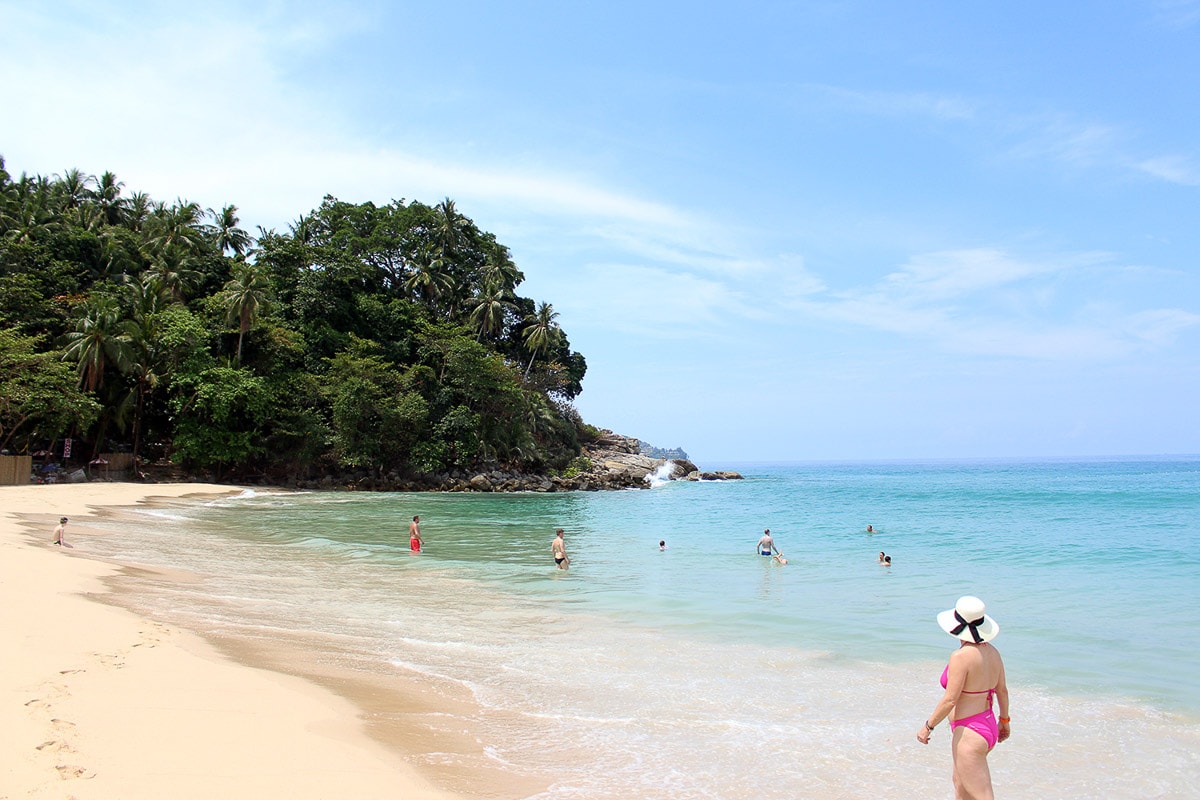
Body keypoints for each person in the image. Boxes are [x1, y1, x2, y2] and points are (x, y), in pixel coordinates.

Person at [916, 596, 1010, 800]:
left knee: (983, 796)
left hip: (970, 733)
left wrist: (928, 726)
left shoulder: (960, 657)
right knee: (961, 787)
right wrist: (1004, 721)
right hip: (987, 724)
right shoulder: (993, 653)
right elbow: (1002, 690)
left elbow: (950, 699)